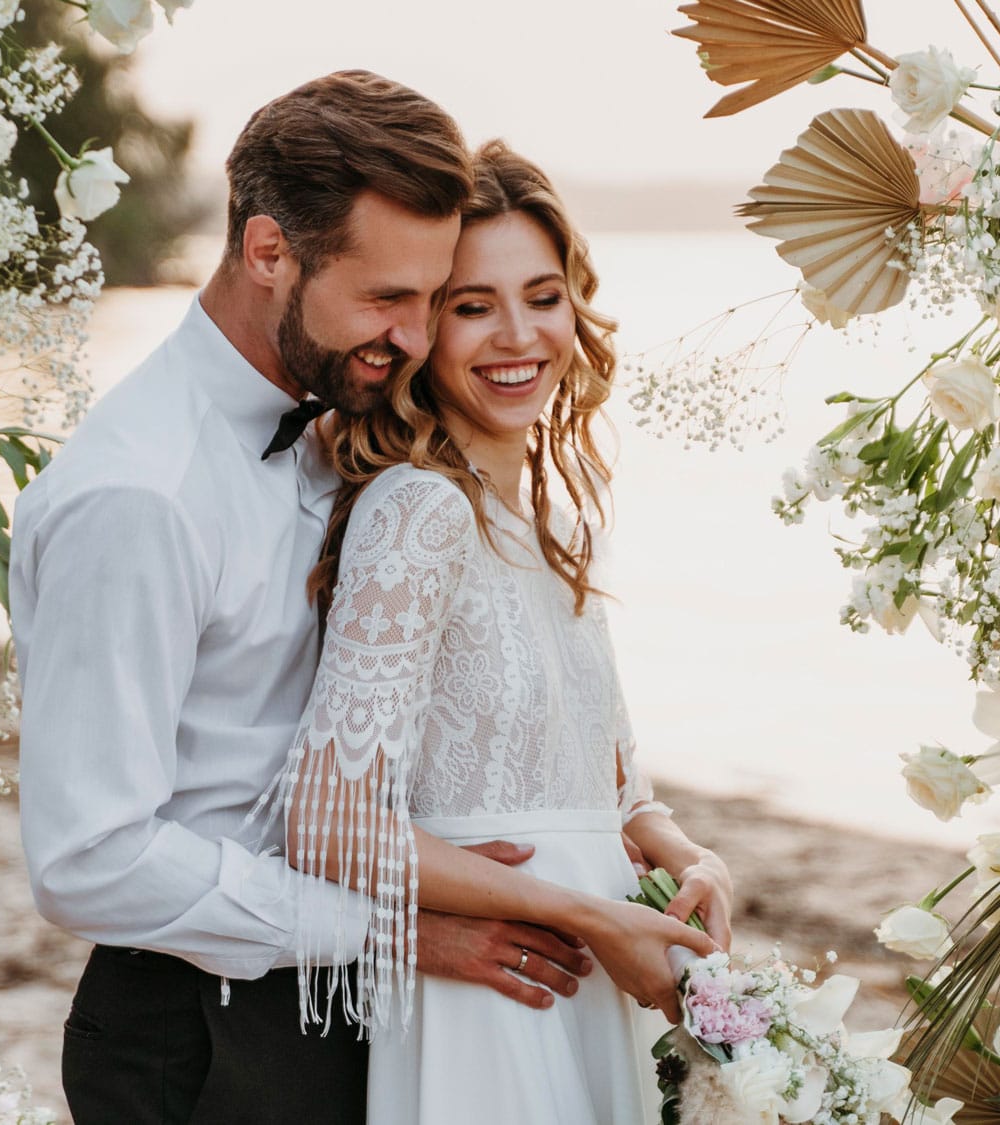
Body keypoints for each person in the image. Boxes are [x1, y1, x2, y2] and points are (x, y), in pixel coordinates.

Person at [11, 74, 594, 1125]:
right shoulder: (138, 497)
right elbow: (89, 860)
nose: (414, 339)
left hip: (352, 1015)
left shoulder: (338, 426)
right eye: (385, 299)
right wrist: (387, 932)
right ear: (267, 251)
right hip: (201, 1036)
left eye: (430, 298)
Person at [267, 141, 735, 1125]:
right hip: (499, 996)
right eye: (472, 306)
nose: (516, 335)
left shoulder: (553, 524)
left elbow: (604, 781)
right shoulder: (414, 511)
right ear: (420, 330)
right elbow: (328, 827)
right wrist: (583, 914)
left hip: (597, 978)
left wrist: (687, 854)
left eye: (543, 295)